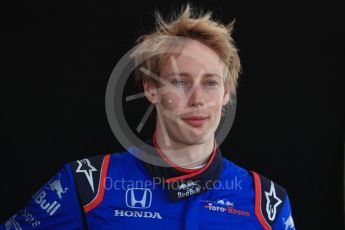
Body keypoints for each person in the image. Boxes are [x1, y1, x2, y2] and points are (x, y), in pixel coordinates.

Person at [1, 5, 296, 230]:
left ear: (226, 93)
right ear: (151, 88)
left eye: (210, 83)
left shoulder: (267, 203)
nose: (197, 100)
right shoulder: (86, 185)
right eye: (180, 82)